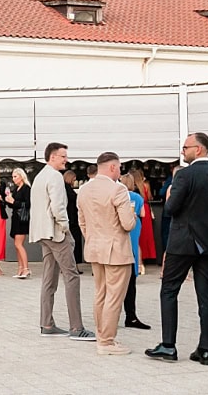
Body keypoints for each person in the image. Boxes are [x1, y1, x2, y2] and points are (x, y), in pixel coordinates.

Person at [145, 132, 208, 367]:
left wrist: (170, 195)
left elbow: (171, 208)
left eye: (186, 147)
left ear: (200, 149)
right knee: (206, 293)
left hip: (183, 241)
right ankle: (204, 350)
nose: (183, 151)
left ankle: (168, 345)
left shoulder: (184, 175)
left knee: (169, 290)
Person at [29, 142, 94, 341]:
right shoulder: (55, 176)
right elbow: (58, 207)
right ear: (53, 157)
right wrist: (65, 227)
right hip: (56, 233)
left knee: (49, 279)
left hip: (42, 233)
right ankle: (77, 327)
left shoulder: (40, 176)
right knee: (72, 276)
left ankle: (47, 323)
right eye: (63, 156)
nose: (66, 159)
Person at [77, 151, 136, 355]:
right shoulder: (118, 190)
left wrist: (93, 238)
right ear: (112, 167)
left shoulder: (83, 190)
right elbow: (128, 224)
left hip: (94, 247)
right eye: (119, 167)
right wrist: (133, 213)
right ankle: (107, 341)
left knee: (100, 293)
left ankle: (101, 336)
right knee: (114, 296)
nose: (120, 171)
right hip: (116, 250)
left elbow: (82, 222)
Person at [120, 171, 151, 331]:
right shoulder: (137, 197)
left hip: (119, 238)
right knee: (131, 282)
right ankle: (130, 315)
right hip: (133, 234)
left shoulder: (116, 195)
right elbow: (143, 214)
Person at [7, 167, 32, 278]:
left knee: (19, 244)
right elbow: (14, 204)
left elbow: (27, 204)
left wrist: (14, 202)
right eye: (13, 177)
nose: (13, 179)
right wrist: (9, 201)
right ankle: (20, 268)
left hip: (22, 219)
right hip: (16, 218)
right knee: (17, 245)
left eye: (15, 176)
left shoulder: (26, 188)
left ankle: (26, 268)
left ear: (21, 176)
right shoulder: (16, 189)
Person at [130, 167, 157, 264]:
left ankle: (138, 260)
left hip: (136, 209)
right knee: (146, 235)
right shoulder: (146, 185)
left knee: (138, 235)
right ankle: (145, 257)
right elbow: (150, 197)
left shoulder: (132, 188)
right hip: (145, 208)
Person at [158, 163, 178, 276]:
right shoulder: (172, 183)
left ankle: (164, 270)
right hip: (171, 217)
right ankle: (165, 270)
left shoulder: (171, 183)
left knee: (169, 242)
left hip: (167, 215)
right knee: (170, 243)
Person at [64, 169, 84, 272]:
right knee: (73, 243)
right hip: (72, 220)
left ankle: (68, 266)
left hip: (68, 219)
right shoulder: (67, 189)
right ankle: (74, 266)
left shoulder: (64, 188)